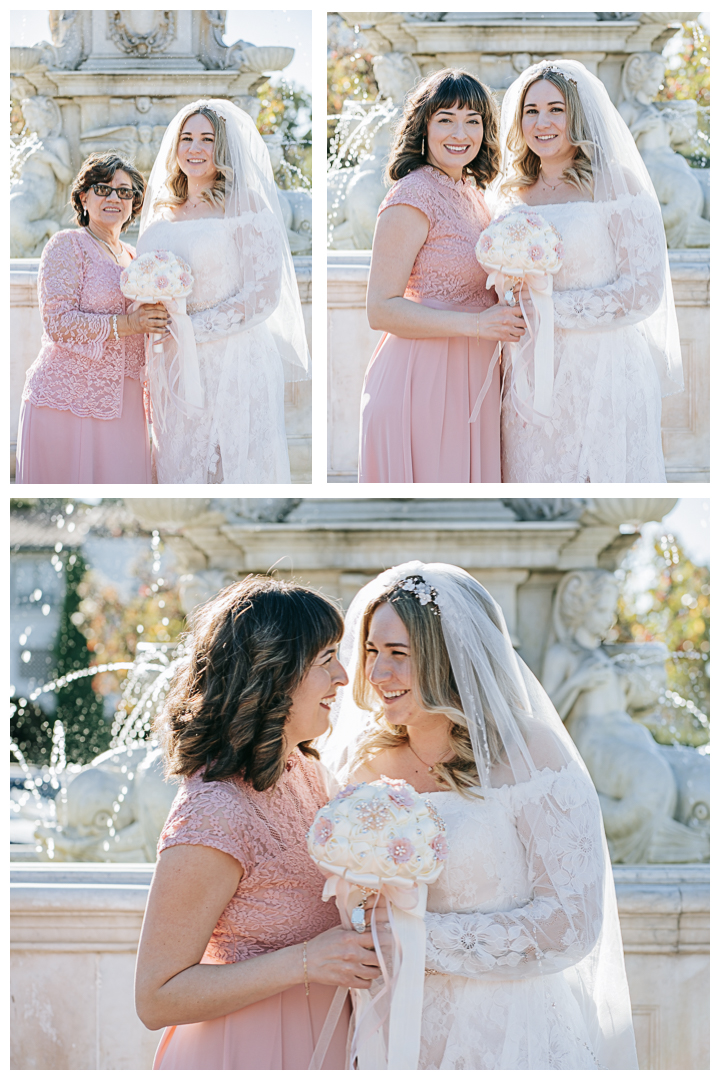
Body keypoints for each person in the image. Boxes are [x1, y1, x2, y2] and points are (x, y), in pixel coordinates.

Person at [320, 561, 638, 1070]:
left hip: (509, 1031)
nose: (379, 674)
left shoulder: (531, 754)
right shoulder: (360, 763)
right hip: (391, 1024)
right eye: (373, 652)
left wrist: (418, 939)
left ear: (449, 657)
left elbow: (572, 924)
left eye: (399, 654)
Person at [136, 576, 386, 1070]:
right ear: (275, 674)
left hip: (326, 1040)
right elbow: (157, 997)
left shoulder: (308, 773)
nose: (342, 677)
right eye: (325, 660)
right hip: (245, 1052)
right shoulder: (215, 810)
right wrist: (308, 962)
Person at [496, 59, 684, 483]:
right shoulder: (508, 195)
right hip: (526, 372)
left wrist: (549, 309)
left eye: (555, 109)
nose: (541, 122)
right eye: (531, 111)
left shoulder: (617, 185)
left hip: (602, 370)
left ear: (578, 116)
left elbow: (643, 291)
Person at [359, 69, 526, 484]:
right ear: (424, 126)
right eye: (446, 118)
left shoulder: (472, 191)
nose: (460, 132)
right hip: (423, 382)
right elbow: (380, 309)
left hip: (473, 380)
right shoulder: (411, 196)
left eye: (473, 120)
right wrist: (476, 325)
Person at [137, 100, 309, 484]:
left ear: (223, 148)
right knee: (178, 465)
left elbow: (264, 294)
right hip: (172, 364)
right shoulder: (163, 210)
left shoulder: (245, 204)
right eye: (187, 138)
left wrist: (191, 328)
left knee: (232, 467)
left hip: (234, 360)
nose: (195, 148)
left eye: (207, 139)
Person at [16, 152, 165, 483]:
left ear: (134, 203)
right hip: (65, 402)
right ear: (83, 197)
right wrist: (128, 325)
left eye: (124, 192)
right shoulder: (66, 246)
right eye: (103, 188)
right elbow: (58, 323)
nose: (114, 197)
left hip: (127, 401)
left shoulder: (138, 258)